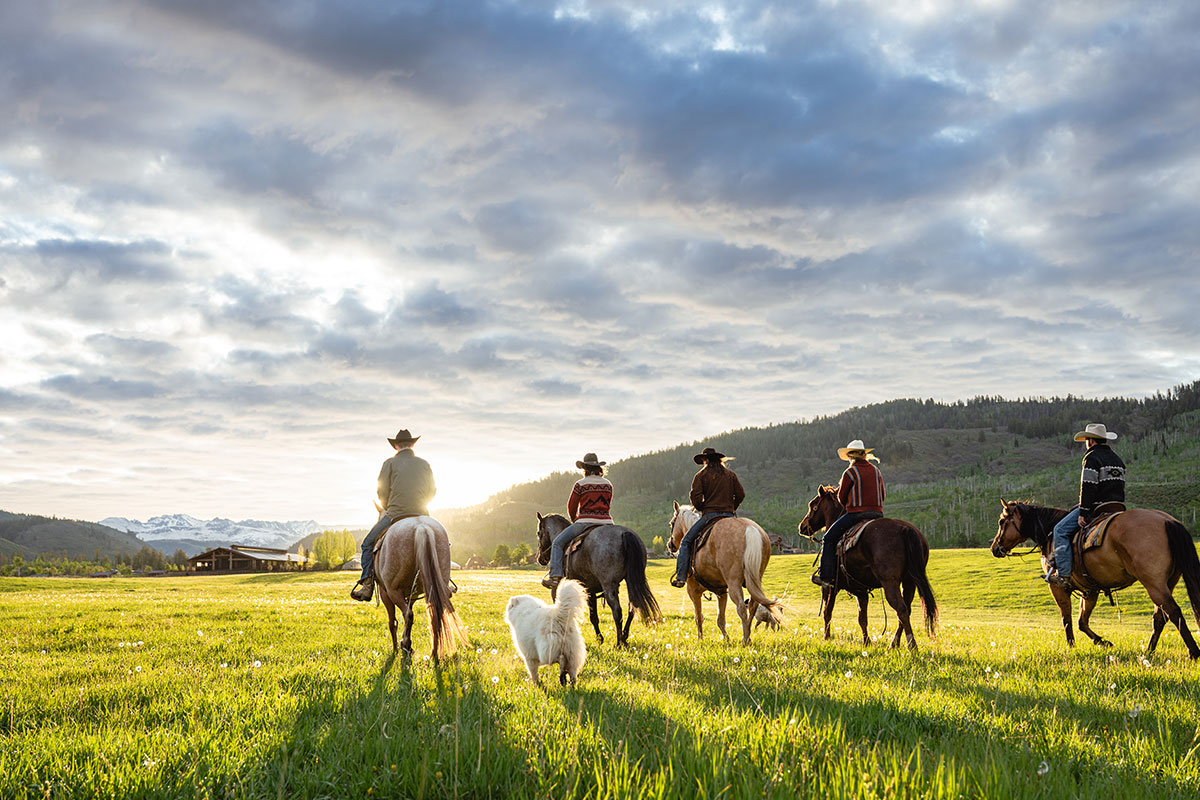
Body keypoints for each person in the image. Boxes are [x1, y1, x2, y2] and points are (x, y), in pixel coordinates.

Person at [350, 429, 436, 602]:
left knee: (367, 544)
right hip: (423, 513)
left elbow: (381, 491)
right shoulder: (424, 464)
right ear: (412, 444)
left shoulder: (389, 463)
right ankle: (444, 580)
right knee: (443, 542)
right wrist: (421, 505)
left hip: (396, 513)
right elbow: (432, 491)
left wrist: (388, 506)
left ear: (396, 446)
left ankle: (367, 585)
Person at [1045, 423, 1126, 587]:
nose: (1086, 443)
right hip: (1117, 507)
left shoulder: (1092, 458)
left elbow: (1088, 486)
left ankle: (1064, 575)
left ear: (1091, 441)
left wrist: (1083, 512)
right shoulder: (1118, 459)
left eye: (1086, 440)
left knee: (1060, 530)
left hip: (1097, 507)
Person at [813, 439, 884, 589]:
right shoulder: (877, 471)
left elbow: (841, 498)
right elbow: (883, 495)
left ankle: (826, 577)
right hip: (877, 515)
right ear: (864, 455)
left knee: (829, 538)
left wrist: (850, 504)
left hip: (856, 514)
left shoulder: (850, 472)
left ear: (851, 456)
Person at [670, 446, 745, 588]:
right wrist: (731, 508)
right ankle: (745, 575)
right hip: (729, 515)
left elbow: (695, 498)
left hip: (709, 516)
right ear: (718, 460)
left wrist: (703, 508)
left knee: (686, 542)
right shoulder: (730, 475)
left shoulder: (700, 476)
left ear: (705, 461)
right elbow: (741, 494)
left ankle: (681, 577)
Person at [542, 454, 613, 591]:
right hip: (607, 523)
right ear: (599, 468)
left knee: (557, 542)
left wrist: (575, 520)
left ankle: (555, 577)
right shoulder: (608, 484)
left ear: (585, 468)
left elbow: (572, 507)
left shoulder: (580, 484)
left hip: (585, 522)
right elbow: (607, 504)